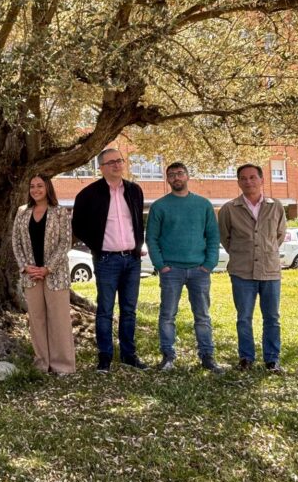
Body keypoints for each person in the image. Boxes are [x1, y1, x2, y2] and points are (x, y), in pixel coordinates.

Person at [72, 148, 147, 372]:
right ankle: (105, 356)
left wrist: (138, 245)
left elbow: (138, 222)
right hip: (106, 260)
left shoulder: (134, 191)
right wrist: (97, 246)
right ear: (101, 168)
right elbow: (78, 226)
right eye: (111, 162)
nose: (117, 165)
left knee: (129, 310)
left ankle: (128, 355)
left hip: (132, 261)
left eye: (119, 161)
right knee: (105, 309)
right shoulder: (88, 194)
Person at [146, 161, 224, 374]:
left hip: (199, 270)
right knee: (168, 315)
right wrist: (160, 266)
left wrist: (209, 264)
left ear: (188, 176)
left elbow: (212, 236)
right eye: (171, 175)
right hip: (171, 271)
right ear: (167, 179)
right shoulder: (160, 206)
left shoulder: (203, 204)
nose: (176, 178)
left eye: (180, 173)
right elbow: (151, 238)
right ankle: (168, 356)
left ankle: (207, 356)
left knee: (202, 316)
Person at [218, 164, 287, 374]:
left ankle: (272, 360)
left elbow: (279, 235)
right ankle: (246, 358)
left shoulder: (276, 206)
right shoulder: (229, 209)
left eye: (252, 177)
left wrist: (264, 252)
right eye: (243, 178)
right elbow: (226, 238)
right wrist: (243, 255)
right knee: (244, 317)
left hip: (270, 271)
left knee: (272, 317)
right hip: (242, 272)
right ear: (238, 182)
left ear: (261, 179)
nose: (248, 182)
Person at [12, 174, 76, 375]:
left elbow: (65, 243)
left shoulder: (60, 212)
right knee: (37, 321)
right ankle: (42, 363)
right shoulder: (22, 212)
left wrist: (48, 268)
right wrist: (25, 266)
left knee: (59, 320)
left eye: (40, 185)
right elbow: (16, 242)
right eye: (32, 186)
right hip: (31, 275)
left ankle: (63, 366)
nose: (36, 189)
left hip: (55, 275)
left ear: (48, 188)